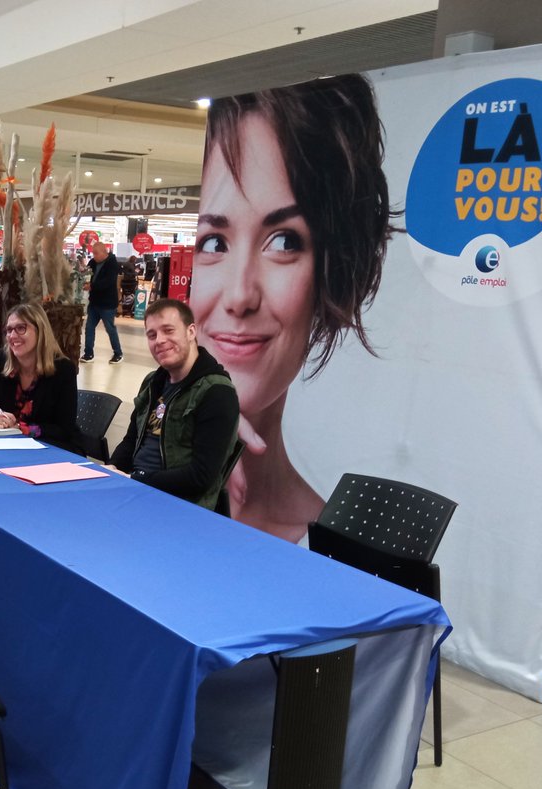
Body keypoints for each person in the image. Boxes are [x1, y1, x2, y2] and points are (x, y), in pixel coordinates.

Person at [190, 74, 396, 542]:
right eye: (215, 242)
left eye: (283, 242)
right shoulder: (161, 447)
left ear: (333, 269)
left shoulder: (328, 551)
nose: (240, 296)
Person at [110, 299, 240, 510]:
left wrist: (136, 479)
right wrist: (112, 470)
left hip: (178, 506)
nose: (159, 340)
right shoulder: (153, 382)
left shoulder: (216, 392)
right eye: (152, 335)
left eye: (168, 330)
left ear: (191, 332)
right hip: (134, 490)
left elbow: (200, 477)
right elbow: (131, 441)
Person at [0, 302, 81, 453]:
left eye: (21, 328)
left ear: (40, 331)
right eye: (9, 330)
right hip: (9, 446)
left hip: (53, 449)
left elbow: (64, 430)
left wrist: (20, 428)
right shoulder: (1, 360)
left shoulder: (63, 369)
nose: (12, 336)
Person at [81, 241, 123, 363]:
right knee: (89, 327)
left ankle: (118, 353)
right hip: (94, 302)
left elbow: (108, 282)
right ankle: (88, 354)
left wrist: (92, 286)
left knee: (110, 329)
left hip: (107, 304)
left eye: (96, 253)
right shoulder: (93, 263)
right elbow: (87, 274)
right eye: (93, 253)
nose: (94, 256)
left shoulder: (112, 264)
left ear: (104, 252)